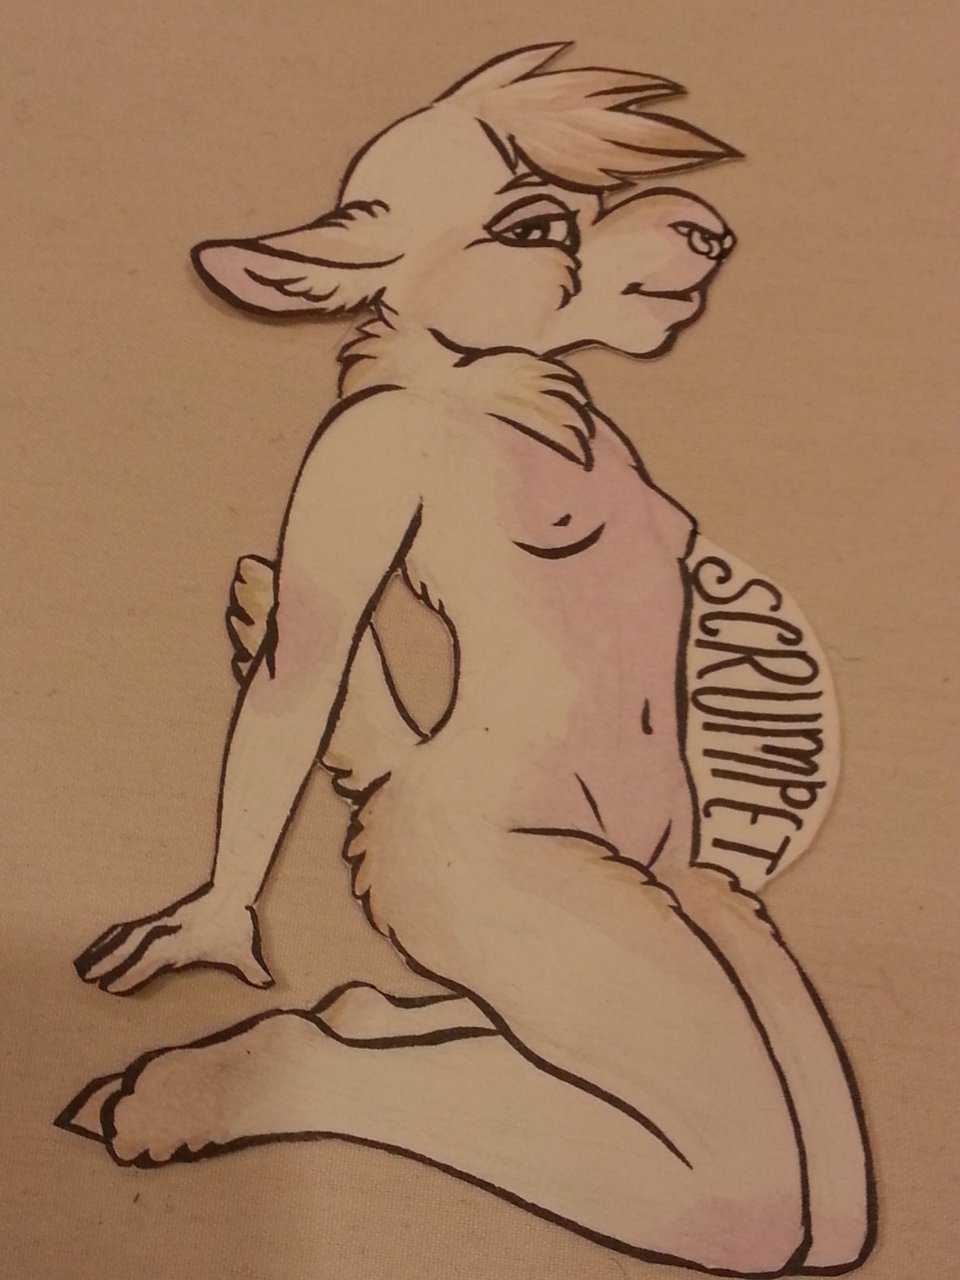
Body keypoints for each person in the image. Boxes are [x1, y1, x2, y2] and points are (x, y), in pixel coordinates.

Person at [64, 45, 873, 1276]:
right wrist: (228, 891)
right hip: (498, 847)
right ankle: (313, 1080)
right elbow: (300, 663)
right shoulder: (393, 432)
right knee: (750, 1212)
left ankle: (400, 1034)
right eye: (537, 226)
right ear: (383, 269)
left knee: (838, 1224)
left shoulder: (574, 425)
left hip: (654, 855)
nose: (599, 244)